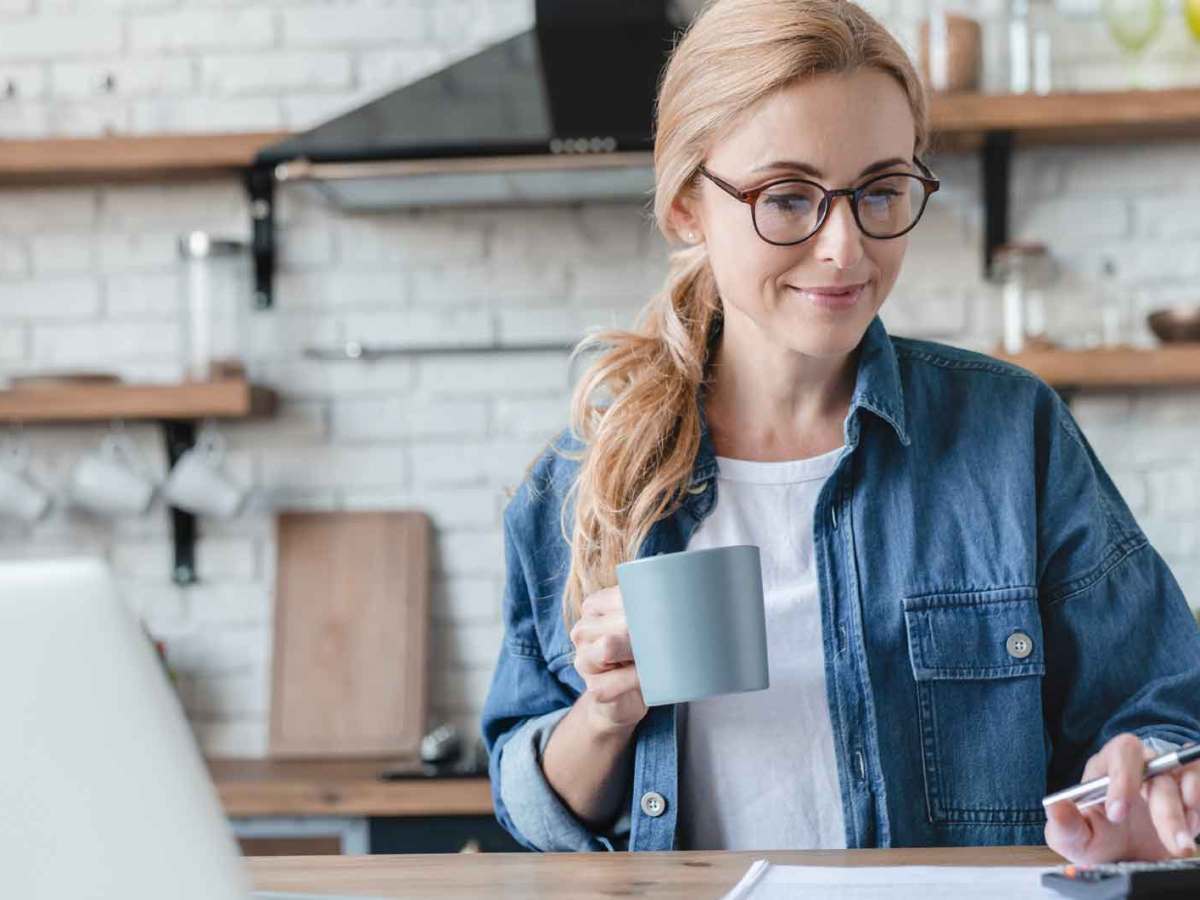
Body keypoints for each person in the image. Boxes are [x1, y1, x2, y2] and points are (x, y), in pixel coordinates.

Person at [480, 0, 1200, 862]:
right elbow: (531, 806)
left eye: (881, 191)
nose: (844, 248)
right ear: (684, 207)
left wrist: (1150, 771)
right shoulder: (583, 478)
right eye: (788, 198)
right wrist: (604, 716)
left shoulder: (1011, 434)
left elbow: (1164, 705)